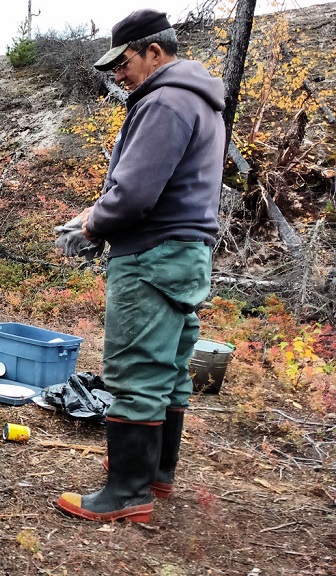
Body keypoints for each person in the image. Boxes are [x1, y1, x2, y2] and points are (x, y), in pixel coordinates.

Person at [55, 9, 225, 522]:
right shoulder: (200, 100)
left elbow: (134, 195)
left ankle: (127, 493)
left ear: (155, 51)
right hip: (187, 253)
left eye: (123, 62)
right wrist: (99, 211)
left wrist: (90, 226)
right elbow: (161, 186)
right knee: (170, 369)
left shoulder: (164, 103)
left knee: (133, 371)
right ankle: (156, 476)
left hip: (151, 256)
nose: (117, 74)